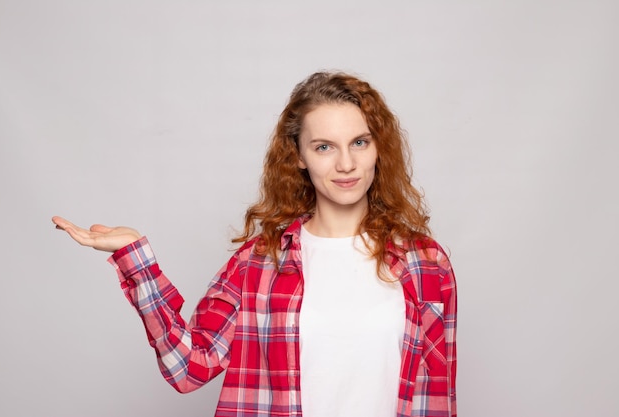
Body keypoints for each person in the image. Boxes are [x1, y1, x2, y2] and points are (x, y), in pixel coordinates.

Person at [52, 71, 457, 417]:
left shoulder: (427, 263)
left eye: (359, 142)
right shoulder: (259, 264)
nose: (346, 164)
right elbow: (189, 366)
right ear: (298, 156)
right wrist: (136, 259)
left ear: (377, 149)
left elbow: (439, 396)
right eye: (323, 147)